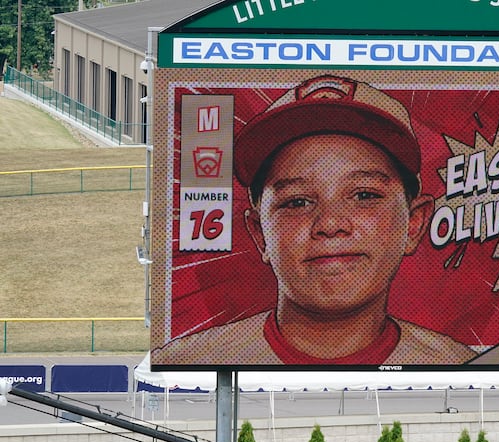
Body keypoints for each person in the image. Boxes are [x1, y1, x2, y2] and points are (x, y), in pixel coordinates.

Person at [152, 74, 476, 366]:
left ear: (414, 224)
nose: (331, 223)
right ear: (260, 234)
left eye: (364, 195)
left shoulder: (462, 366)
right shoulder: (187, 362)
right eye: (297, 202)